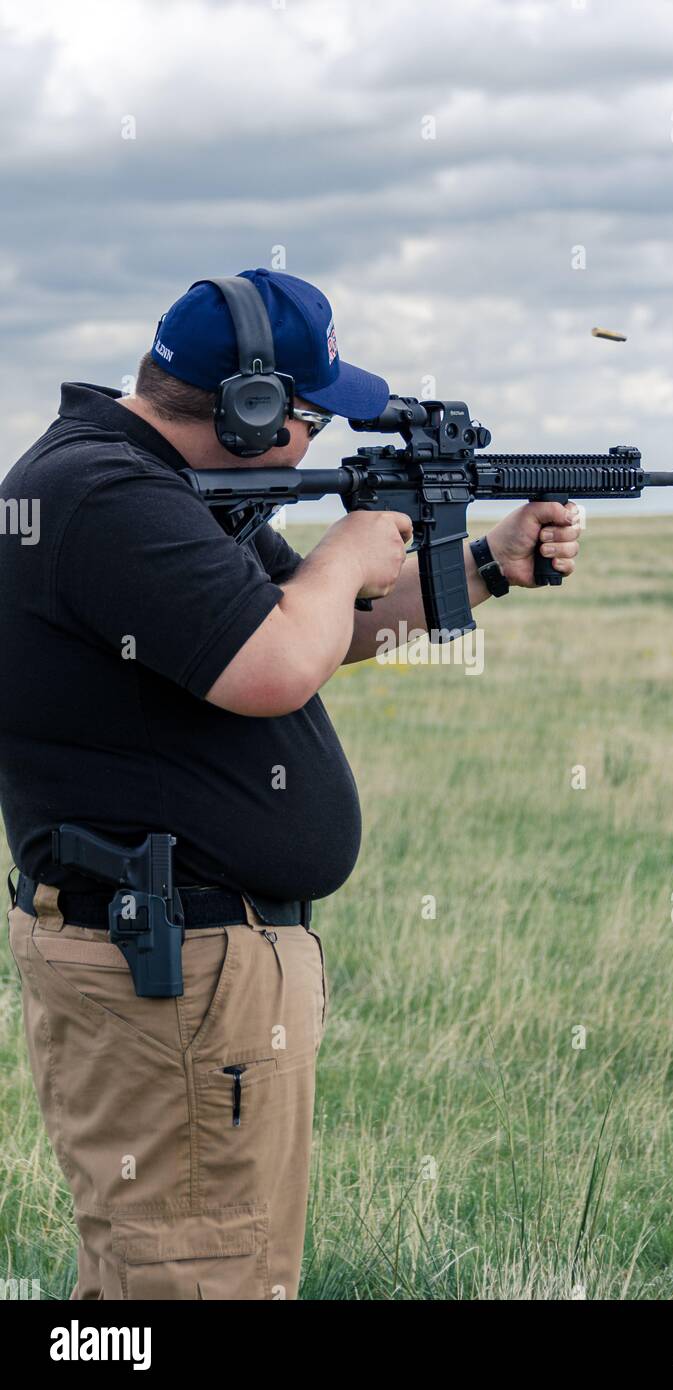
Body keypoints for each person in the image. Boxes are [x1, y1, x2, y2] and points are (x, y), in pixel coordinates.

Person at [0, 268, 581, 1300]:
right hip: (170, 972)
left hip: (186, 964)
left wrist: (486, 563)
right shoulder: (108, 498)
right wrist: (348, 548)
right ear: (251, 410)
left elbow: (302, 630)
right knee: (196, 1278)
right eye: (311, 416)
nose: (318, 440)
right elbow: (274, 658)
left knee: (170, 1275)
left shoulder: (146, 488)